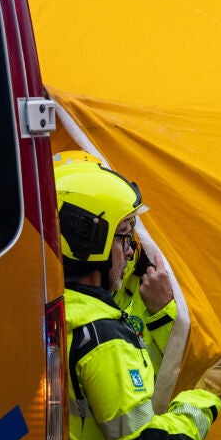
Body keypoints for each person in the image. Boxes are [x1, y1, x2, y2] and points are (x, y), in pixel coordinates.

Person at [55, 161, 221, 440]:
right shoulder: (102, 338)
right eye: (124, 236)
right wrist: (208, 395)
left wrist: (161, 316)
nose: (131, 252)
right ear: (90, 242)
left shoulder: (55, 315)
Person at [54, 150, 176, 371]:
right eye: (124, 231)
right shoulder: (48, 296)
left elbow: (189, 361)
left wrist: (163, 312)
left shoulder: (155, 278)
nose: (129, 250)